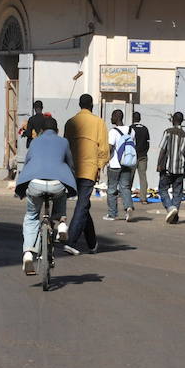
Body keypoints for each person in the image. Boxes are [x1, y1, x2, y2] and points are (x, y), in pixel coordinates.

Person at [14, 124, 77, 272]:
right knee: (61, 195)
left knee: (31, 217)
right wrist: (72, 181)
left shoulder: (35, 141)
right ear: (57, 130)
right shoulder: (63, 142)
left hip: (35, 183)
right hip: (57, 183)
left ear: (41, 131)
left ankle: (28, 253)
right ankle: (61, 222)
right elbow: (71, 164)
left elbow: (27, 161)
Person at [64, 94, 109, 254]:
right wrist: (99, 166)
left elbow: (66, 146)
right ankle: (71, 240)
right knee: (82, 205)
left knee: (84, 205)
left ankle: (92, 243)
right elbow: (103, 149)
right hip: (89, 169)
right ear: (92, 105)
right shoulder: (99, 122)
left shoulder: (70, 123)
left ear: (79, 104)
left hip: (72, 169)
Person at [156, 111, 185, 225]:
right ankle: (174, 217)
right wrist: (184, 169)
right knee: (177, 193)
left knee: (162, 189)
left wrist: (159, 164)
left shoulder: (168, 132)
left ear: (173, 120)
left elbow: (162, 150)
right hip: (180, 169)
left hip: (167, 168)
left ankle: (170, 208)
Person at [105, 109, 135, 222]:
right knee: (125, 187)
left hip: (114, 164)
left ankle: (112, 214)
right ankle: (128, 207)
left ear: (117, 117)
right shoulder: (131, 131)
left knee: (112, 189)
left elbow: (110, 147)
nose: (111, 119)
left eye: (112, 116)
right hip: (127, 164)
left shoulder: (113, 131)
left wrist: (104, 160)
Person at [128, 111, 151, 202]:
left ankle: (127, 197)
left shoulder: (130, 128)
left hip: (133, 156)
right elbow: (148, 143)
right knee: (143, 177)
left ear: (133, 118)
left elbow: (128, 143)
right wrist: (144, 152)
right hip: (143, 156)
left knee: (129, 177)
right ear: (140, 118)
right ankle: (143, 198)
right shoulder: (145, 129)